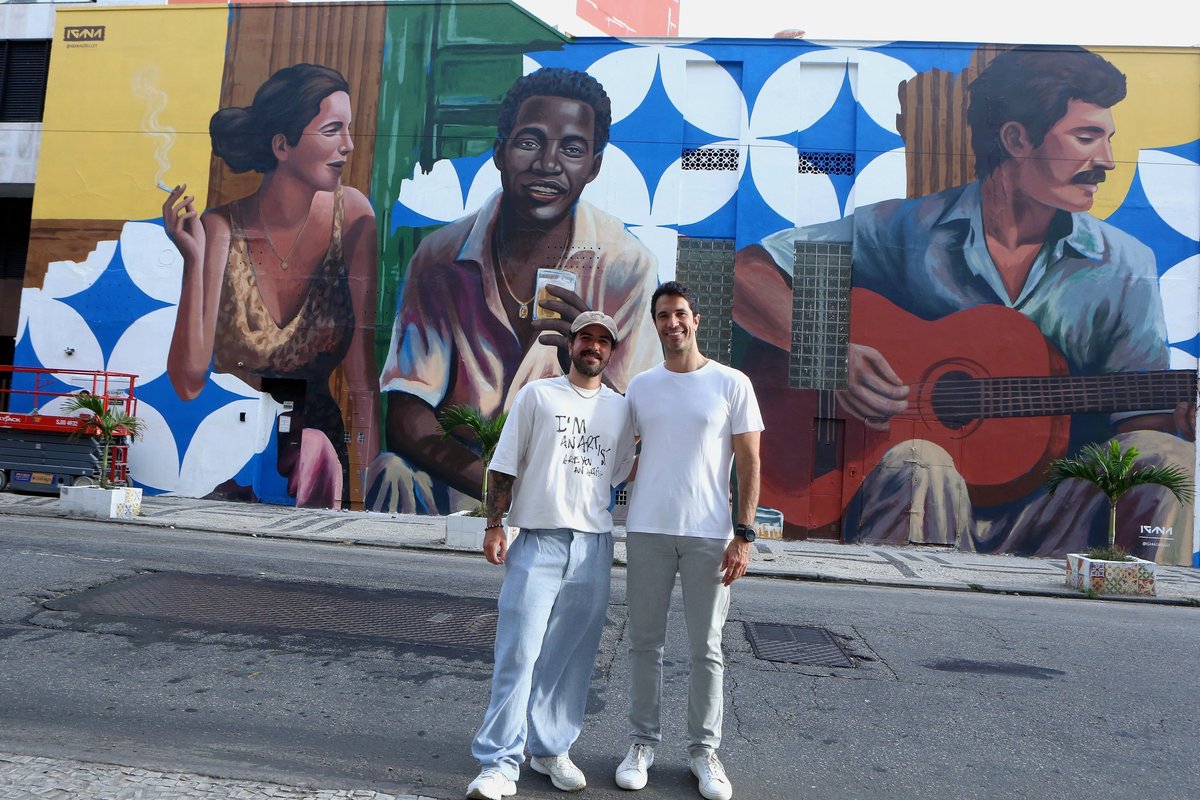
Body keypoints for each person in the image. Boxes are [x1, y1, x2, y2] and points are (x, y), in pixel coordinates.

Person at [734, 45, 1194, 564]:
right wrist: (829, 354)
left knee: (1168, 458)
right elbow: (745, 274)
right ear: (1016, 139)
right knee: (921, 460)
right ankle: (899, 604)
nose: (1107, 160)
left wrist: (1179, 423)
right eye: (1087, 138)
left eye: (1109, 139)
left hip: (1051, 513)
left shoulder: (1125, 264)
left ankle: (1137, 610)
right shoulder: (902, 231)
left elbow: (1140, 426)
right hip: (908, 499)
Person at [367, 67, 658, 515]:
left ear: (594, 166)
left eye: (572, 149)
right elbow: (407, 416)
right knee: (390, 470)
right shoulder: (439, 256)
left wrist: (583, 363)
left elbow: (634, 426)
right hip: (457, 475)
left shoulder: (626, 267)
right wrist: (499, 488)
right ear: (499, 152)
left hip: (564, 480)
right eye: (529, 142)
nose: (547, 164)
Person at [162, 63, 380, 510]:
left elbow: (362, 378)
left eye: (348, 129)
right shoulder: (220, 229)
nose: (348, 145)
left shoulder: (354, 216)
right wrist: (193, 262)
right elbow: (187, 381)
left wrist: (372, 495)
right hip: (232, 450)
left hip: (318, 457)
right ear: (282, 145)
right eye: (332, 130)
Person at [465, 310, 636, 800]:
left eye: (603, 341)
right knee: (518, 652)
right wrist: (495, 524)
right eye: (586, 338)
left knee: (571, 657)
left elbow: (618, 473)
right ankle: (499, 763)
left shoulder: (622, 410)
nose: (594, 347)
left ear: (611, 351)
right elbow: (504, 465)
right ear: (571, 344)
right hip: (538, 539)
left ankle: (549, 748)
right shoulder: (537, 395)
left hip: (594, 546)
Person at [615, 281, 763, 800]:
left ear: (696, 320)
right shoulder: (641, 387)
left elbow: (750, 462)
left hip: (710, 534)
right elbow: (619, 455)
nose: (672, 322)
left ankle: (704, 752)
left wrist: (744, 535)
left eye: (680, 313)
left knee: (707, 648)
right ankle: (642, 744)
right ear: (655, 323)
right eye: (663, 315)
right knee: (644, 644)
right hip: (648, 530)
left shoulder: (732, 383)